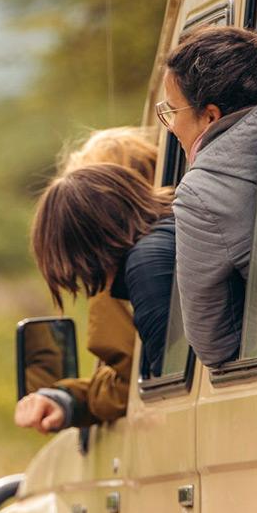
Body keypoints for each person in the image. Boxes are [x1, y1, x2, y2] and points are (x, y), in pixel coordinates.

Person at [15, 162, 174, 433]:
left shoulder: (146, 268)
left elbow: (165, 386)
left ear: (90, 255)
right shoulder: (183, 227)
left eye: (84, 277)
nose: (101, 289)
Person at [157, 24, 257, 368]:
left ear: (210, 116)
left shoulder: (201, 192)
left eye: (173, 111)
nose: (171, 126)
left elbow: (213, 343)